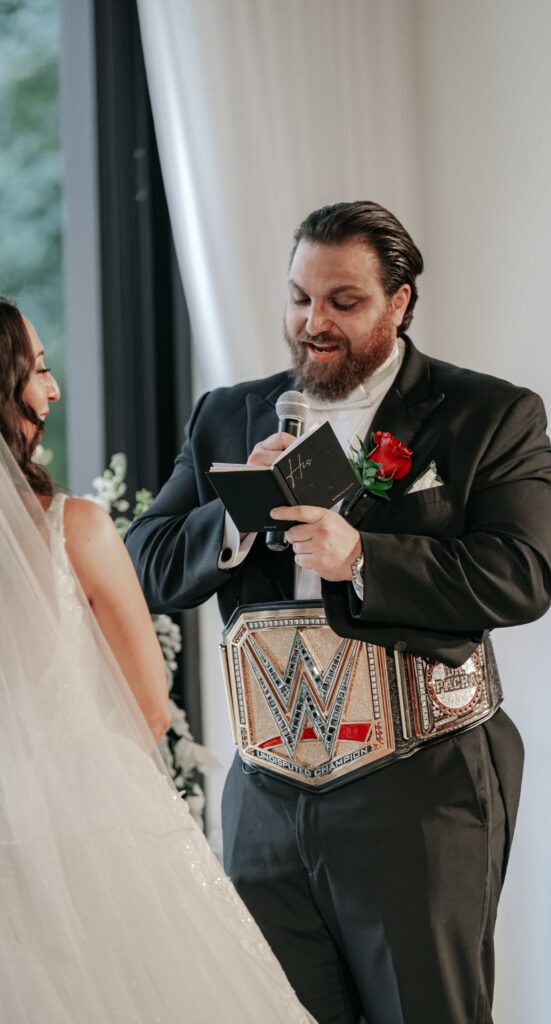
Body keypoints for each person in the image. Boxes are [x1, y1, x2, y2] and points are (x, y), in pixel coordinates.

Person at [126, 201, 551, 1024]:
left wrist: (364, 556)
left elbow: (523, 574)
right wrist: (231, 517)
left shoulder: (487, 414)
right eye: (298, 299)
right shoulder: (230, 412)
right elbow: (144, 565)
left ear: (399, 303)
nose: (311, 324)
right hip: (266, 793)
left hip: (421, 787)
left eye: (342, 301)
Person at [0, 297, 315, 1023]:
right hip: (88, 835)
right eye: (38, 369)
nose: (52, 389)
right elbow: (146, 703)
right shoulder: (73, 529)